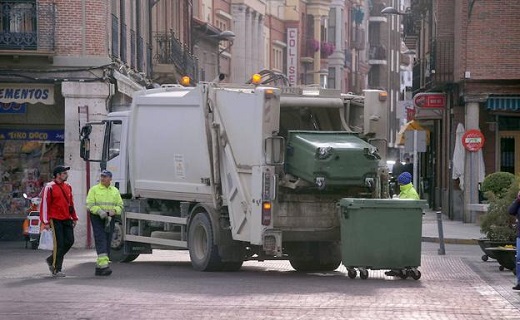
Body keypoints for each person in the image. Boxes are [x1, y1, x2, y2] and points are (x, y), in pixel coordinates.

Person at [40, 165, 78, 277]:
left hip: (66, 218)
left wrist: (74, 217)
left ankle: (51, 259)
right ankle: (57, 269)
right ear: (58, 175)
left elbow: (70, 204)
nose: (67, 175)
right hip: (55, 219)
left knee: (70, 241)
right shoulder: (49, 187)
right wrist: (45, 221)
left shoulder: (68, 186)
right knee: (59, 244)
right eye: (64, 173)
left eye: (66, 173)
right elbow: (45, 205)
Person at [86, 170, 123, 276]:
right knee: (101, 239)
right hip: (97, 217)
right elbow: (89, 205)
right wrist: (99, 211)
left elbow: (120, 205)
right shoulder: (94, 189)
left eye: (105, 177)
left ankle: (99, 267)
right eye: (102, 176)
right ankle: (104, 266)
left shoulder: (115, 191)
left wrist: (115, 211)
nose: (102, 178)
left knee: (107, 239)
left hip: (110, 218)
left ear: (110, 179)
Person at [385, 171, 420, 277]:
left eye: (399, 183)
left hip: (406, 225)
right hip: (403, 225)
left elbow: (409, 210)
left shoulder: (411, 193)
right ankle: (400, 268)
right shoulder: (406, 191)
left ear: (402, 183)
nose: (398, 185)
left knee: (398, 246)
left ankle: (401, 267)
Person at [508, 190, 520, 290]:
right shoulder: (518, 202)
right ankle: (519, 282)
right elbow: (511, 211)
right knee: (519, 257)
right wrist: (517, 200)